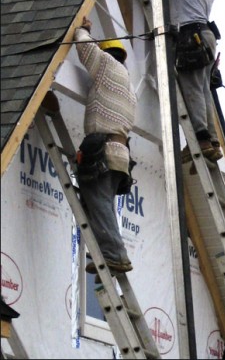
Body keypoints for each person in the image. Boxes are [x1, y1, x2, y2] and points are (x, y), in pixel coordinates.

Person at [74, 16, 137, 277]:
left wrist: (82, 30)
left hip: (104, 151)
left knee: (98, 203)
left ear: (107, 52)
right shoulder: (129, 86)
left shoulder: (107, 66)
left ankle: (115, 255)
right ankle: (106, 251)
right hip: (119, 155)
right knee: (99, 203)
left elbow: (85, 47)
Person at [164, 0, 223, 163]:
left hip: (191, 35)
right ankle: (212, 141)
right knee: (204, 89)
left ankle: (201, 139)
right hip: (207, 36)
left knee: (191, 87)